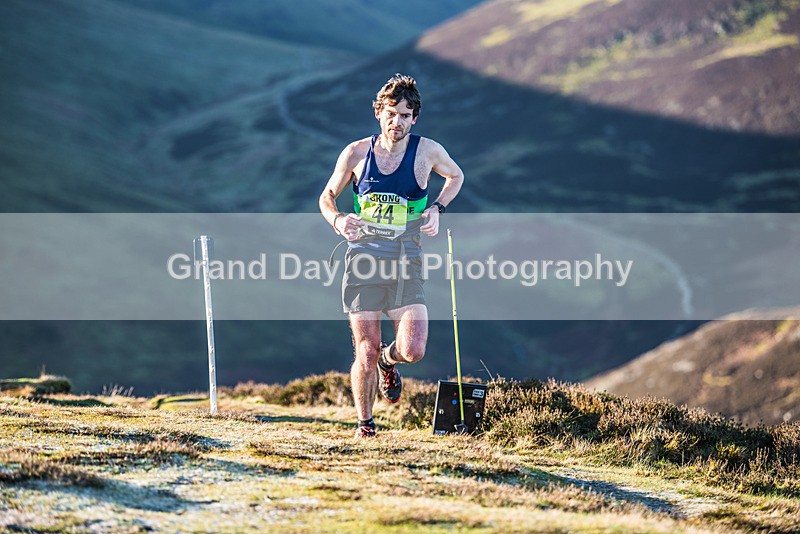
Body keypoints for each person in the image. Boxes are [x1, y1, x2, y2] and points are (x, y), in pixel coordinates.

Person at [318, 73, 464, 438]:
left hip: (406, 260)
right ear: (378, 113)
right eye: (390, 113)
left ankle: (390, 361)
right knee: (364, 351)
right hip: (363, 261)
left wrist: (437, 209)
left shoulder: (427, 151)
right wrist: (338, 221)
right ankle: (365, 425)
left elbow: (456, 176)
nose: (396, 121)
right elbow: (326, 197)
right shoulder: (355, 153)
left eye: (404, 115)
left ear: (414, 118)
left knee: (413, 349)